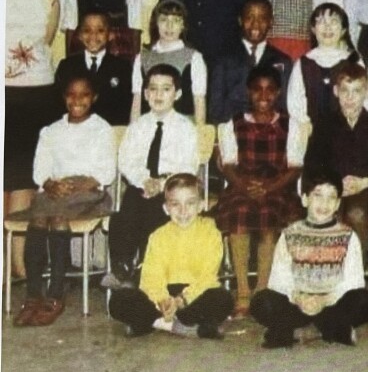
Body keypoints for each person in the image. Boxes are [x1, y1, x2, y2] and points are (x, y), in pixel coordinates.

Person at [12, 74, 115, 327]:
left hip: (90, 193)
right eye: (71, 94)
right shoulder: (51, 131)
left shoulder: (102, 129)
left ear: (95, 98)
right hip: (55, 190)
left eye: (84, 95)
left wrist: (79, 184)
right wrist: (49, 183)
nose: (77, 100)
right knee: (39, 215)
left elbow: (107, 171)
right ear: (63, 97)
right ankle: (33, 295)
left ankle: (56, 293)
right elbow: (40, 170)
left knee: (56, 216)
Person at [251, 170, 368, 348]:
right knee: (261, 301)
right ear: (304, 199)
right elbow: (278, 279)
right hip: (298, 303)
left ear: (338, 204)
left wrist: (324, 300)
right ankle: (330, 329)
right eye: (318, 196)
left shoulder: (348, 236)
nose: (324, 204)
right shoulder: (290, 234)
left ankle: (293, 331)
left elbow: (353, 281)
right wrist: (298, 297)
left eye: (331, 198)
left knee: (366, 301)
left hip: (332, 303)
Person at [216, 66, 302, 317]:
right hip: (242, 184)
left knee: (268, 218)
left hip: (278, 186)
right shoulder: (233, 124)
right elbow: (228, 166)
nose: (263, 96)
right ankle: (242, 290)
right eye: (257, 90)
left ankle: (262, 289)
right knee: (240, 215)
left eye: (269, 91)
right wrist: (246, 186)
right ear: (248, 92)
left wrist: (268, 187)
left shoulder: (290, 125)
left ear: (278, 93)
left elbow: (295, 168)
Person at [106, 64, 198, 287]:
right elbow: (127, 159)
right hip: (142, 186)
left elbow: (188, 164)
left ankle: (147, 269)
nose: (158, 95)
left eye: (166, 89)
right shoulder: (137, 126)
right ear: (145, 93)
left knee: (155, 212)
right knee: (124, 213)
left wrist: (162, 183)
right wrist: (144, 180)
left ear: (177, 94)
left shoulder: (185, 128)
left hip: (173, 189)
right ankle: (123, 264)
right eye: (153, 89)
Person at [109, 173, 233, 338]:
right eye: (175, 204)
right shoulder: (158, 236)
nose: (183, 211)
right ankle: (177, 325)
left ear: (202, 205)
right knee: (119, 301)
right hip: (164, 293)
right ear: (166, 208)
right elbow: (151, 275)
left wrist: (182, 300)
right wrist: (162, 299)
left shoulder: (211, 233)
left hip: (194, 295)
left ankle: (151, 322)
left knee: (223, 299)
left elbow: (207, 277)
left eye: (190, 203)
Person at [5, 0, 61, 279]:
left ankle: (20, 264)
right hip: (3, 94)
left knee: (26, 178)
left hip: (39, 92)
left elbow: (49, 37)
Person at [304, 62, 368, 253]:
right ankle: (327, 273)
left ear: (367, 92)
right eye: (345, 91)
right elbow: (313, 162)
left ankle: (354, 278)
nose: (350, 98)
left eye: (357, 91)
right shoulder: (324, 122)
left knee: (356, 213)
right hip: (333, 188)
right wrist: (336, 185)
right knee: (328, 211)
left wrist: (363, 183)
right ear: (336, 91)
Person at [209, 0, 293, 124]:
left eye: (262, 18)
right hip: (233, 131)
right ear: (240, 20)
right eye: (249, 18)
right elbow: (216, 109)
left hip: (272, 133)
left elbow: (285, 107)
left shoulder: (283, 61)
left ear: (271, 22)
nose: (255, 24)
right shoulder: (223, 60)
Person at [287, 2, 363, 142]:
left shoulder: (353, 61)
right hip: (311, 132)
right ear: (313, 29)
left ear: (343, 30)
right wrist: (304, 121)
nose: (327, 27)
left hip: (348, 132)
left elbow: (364, 97)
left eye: (334, 22)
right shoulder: (304, 63)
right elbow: (294, 100)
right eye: (321, 22)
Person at [131, 0, 208, 125]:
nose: (169, 26)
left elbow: (199, 101)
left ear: (183, 26)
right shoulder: (142, 57)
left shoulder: (194, 58)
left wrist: (199, 133)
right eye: (163, 20)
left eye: (176, 21)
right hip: (148, 126)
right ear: (155, 23)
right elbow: (137, 100)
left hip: (183, 127)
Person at [54, 9, 132, 126]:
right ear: (79, 35)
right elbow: (57, 106)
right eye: (87, 30)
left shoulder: (122, 67)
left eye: (100, 30)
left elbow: (125, 108)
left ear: (110, 35)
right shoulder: (67, 66)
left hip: (109, 131)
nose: (93, 36)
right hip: (74, 130)